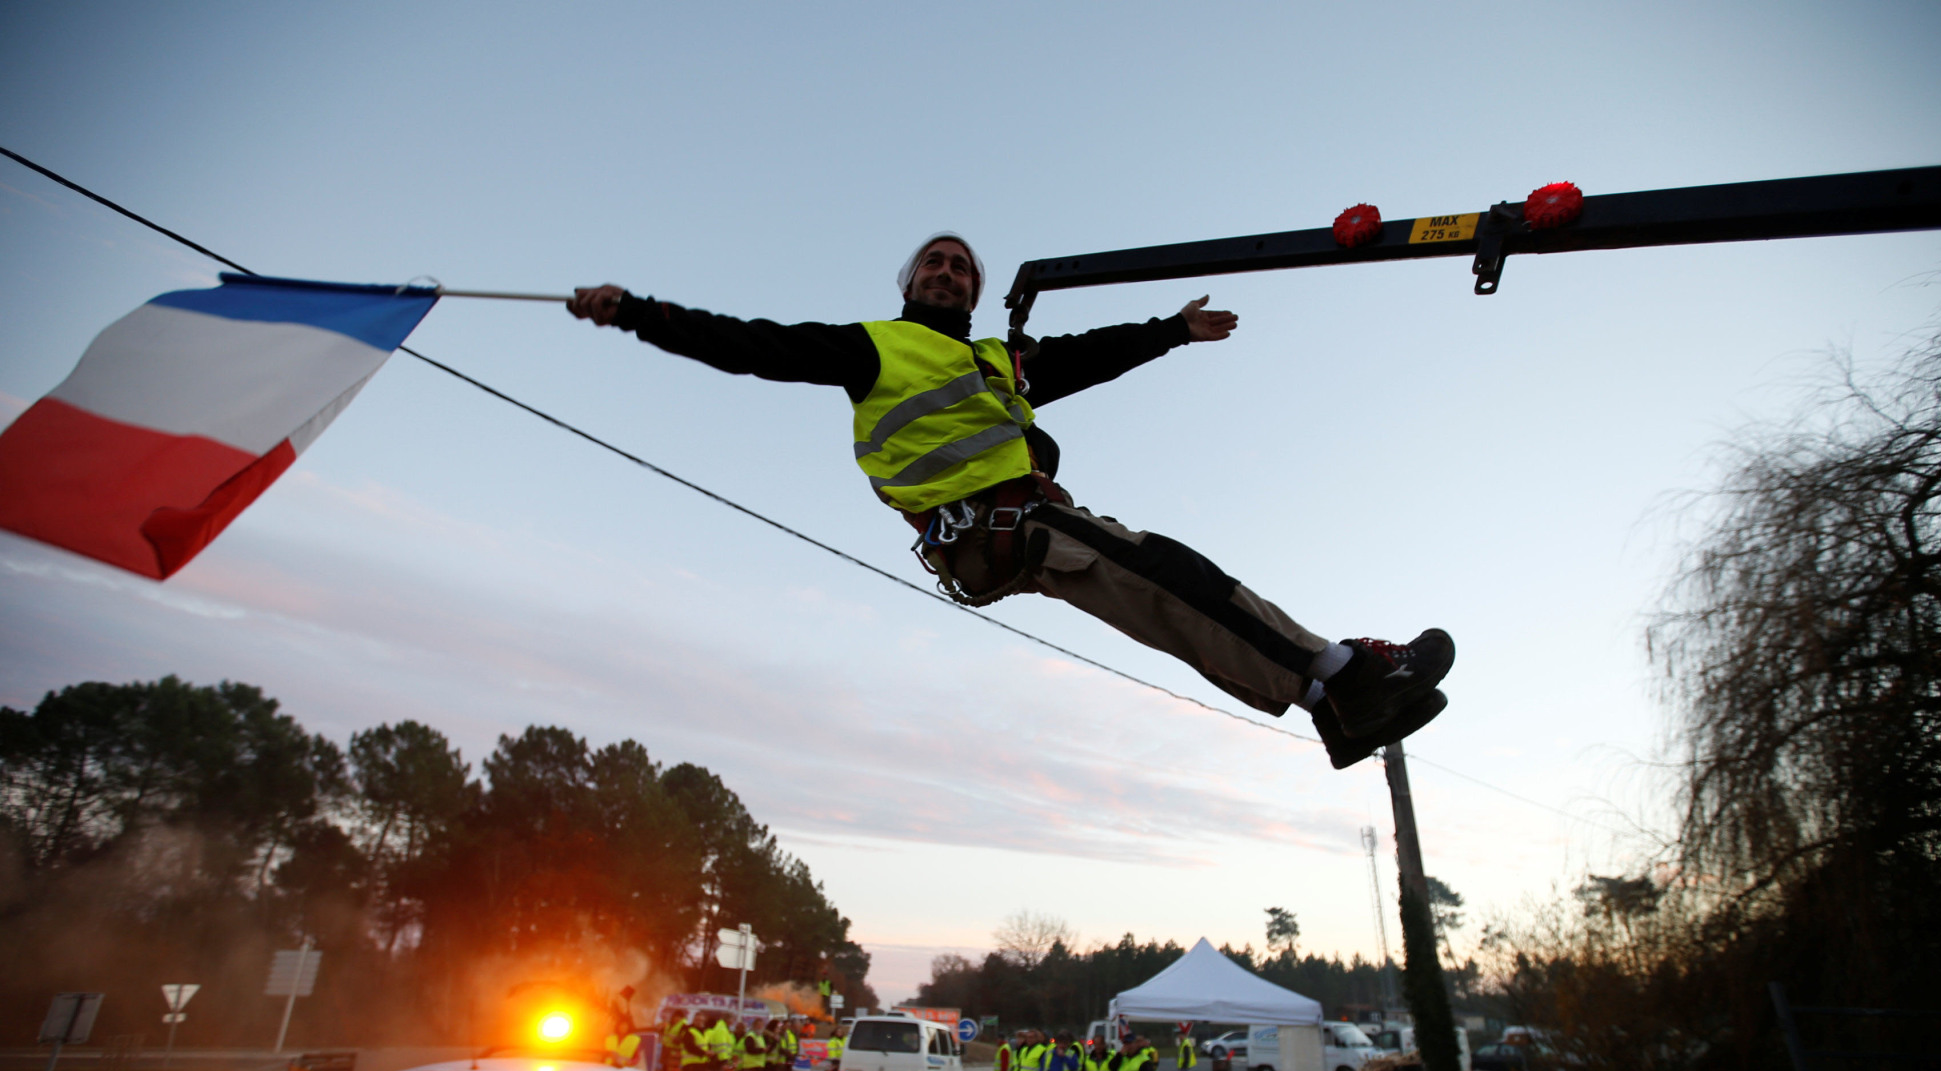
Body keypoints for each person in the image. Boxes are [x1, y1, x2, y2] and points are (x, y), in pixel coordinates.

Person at [568, 235, 1454, 772]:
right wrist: (634, 312)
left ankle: (1326, 694)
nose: (947, 273)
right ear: (910, 283)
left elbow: (1081, 356)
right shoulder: (871, 348)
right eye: (934, 264)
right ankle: (1344, 676)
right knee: (1163, 575)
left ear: (976, 292)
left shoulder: (996, 362)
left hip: (1025, 525)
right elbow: (747, 345)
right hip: (991, 528)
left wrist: (1173, 332)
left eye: (961, 268)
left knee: (1172, 590)